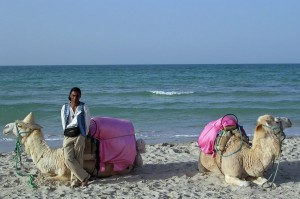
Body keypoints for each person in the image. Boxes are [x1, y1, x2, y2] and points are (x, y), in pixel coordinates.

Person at [61, 87, 91, 187]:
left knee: (78, 158)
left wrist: (83, 135)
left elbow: (87, 122)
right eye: (73, 95)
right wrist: (66, 133)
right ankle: (85, 176)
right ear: (70, 96)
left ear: (80, 96)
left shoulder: (84, 107)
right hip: (68, 134)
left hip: (80, 133)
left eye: (77, 96)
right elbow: (63, 123)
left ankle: (75, 180)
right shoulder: (64, 107)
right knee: (68, 158)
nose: (75, 98)